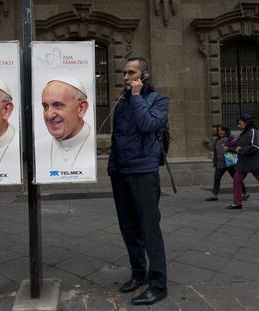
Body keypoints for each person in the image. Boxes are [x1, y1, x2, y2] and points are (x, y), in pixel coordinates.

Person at [108, 57, 168, 305]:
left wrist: (136, 96)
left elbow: (147, 125)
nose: (125, 77)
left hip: (143, 172)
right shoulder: (121, 102)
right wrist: (112, 167)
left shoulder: (159, 100)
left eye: (131, 72)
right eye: (124, 72)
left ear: (144, 76)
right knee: (129, 227)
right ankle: (138, 273)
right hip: (121, 171)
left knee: (149, 229)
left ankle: (158, 284)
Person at [36, 76, 94, 169]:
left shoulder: (94, 143)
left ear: (81, 108)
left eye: (58, 105)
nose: (49, 115)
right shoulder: (38, 147)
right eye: (45, 106)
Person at [226, 115, 259, 209]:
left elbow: (256, 146)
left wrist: (240, 150)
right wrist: (229, 149)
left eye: (240, 123)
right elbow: (238, 145)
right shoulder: (243, 133)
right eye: (238, 124)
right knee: (236, 180)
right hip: (243, 163)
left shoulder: (253, 132)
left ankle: (237, 203)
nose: (238, 125)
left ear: (247, 122)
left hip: (255, 162)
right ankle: (237, 203)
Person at [206, 125, 249, 202]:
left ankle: (245, 194)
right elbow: (213, 150)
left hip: (230, 163)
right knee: (216, 179)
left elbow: (237, 149)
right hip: (220, 164)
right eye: (219, 130)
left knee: (237, 179)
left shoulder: (230, 139)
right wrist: (207, 145)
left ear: (225, 131)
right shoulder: (216, 141)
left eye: (222, 130)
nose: (220, 132)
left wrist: (229, 148)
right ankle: (214, 195)